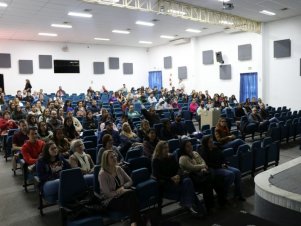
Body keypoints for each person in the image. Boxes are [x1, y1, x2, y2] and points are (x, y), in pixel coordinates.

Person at [152, 141, 204, 215]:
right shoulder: (156, 160)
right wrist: (171, 178)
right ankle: (199, 210)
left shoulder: (171, 156)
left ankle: (188, 205)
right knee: (189, 189)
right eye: (164, 148)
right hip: (167, 183)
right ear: (159, 149)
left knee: (188, 180)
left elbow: (178, 169)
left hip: (177, 180)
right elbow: (157, 175)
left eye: (167, 147)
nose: (166, 149)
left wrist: (178, 176)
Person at [98, 150, 143, 226]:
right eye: (111, 157)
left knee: (131, 196)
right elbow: (107, 193)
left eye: (115, 156)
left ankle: (133, 223)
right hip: (110, 200)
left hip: (123, 195)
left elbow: (130, 181)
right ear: (106, 160)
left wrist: (123, 187)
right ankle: (137, 222)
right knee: (133, 198)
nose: (115, 158)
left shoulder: (118, 168)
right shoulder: (102, 174)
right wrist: (120, 192)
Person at [179, 139, 224, 210]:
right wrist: (202, 167)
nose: (190, 147)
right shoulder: (183, 158)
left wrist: (202, 167)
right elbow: (192, 168)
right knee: (209, 182)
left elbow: (203, 161)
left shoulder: (195, 153)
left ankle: (222, 202)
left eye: (190, 145)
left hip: (202, 175)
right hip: (194, 179)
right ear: (183, 148)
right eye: (187, 146)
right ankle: (210, 207)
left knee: (218, 179)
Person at [201, 135, 245, 201]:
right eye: (210, 142)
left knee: (237, 172)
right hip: (214, 169)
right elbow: (207, 164)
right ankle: (223, 193)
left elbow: (222, 157)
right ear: (205, 143)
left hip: (221, 166)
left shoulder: (215, 148)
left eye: (212, 141)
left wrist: (224, 163)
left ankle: (238, 194)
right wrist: (220, 165)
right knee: (230, 174)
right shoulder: (203, 152)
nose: (212, 143)